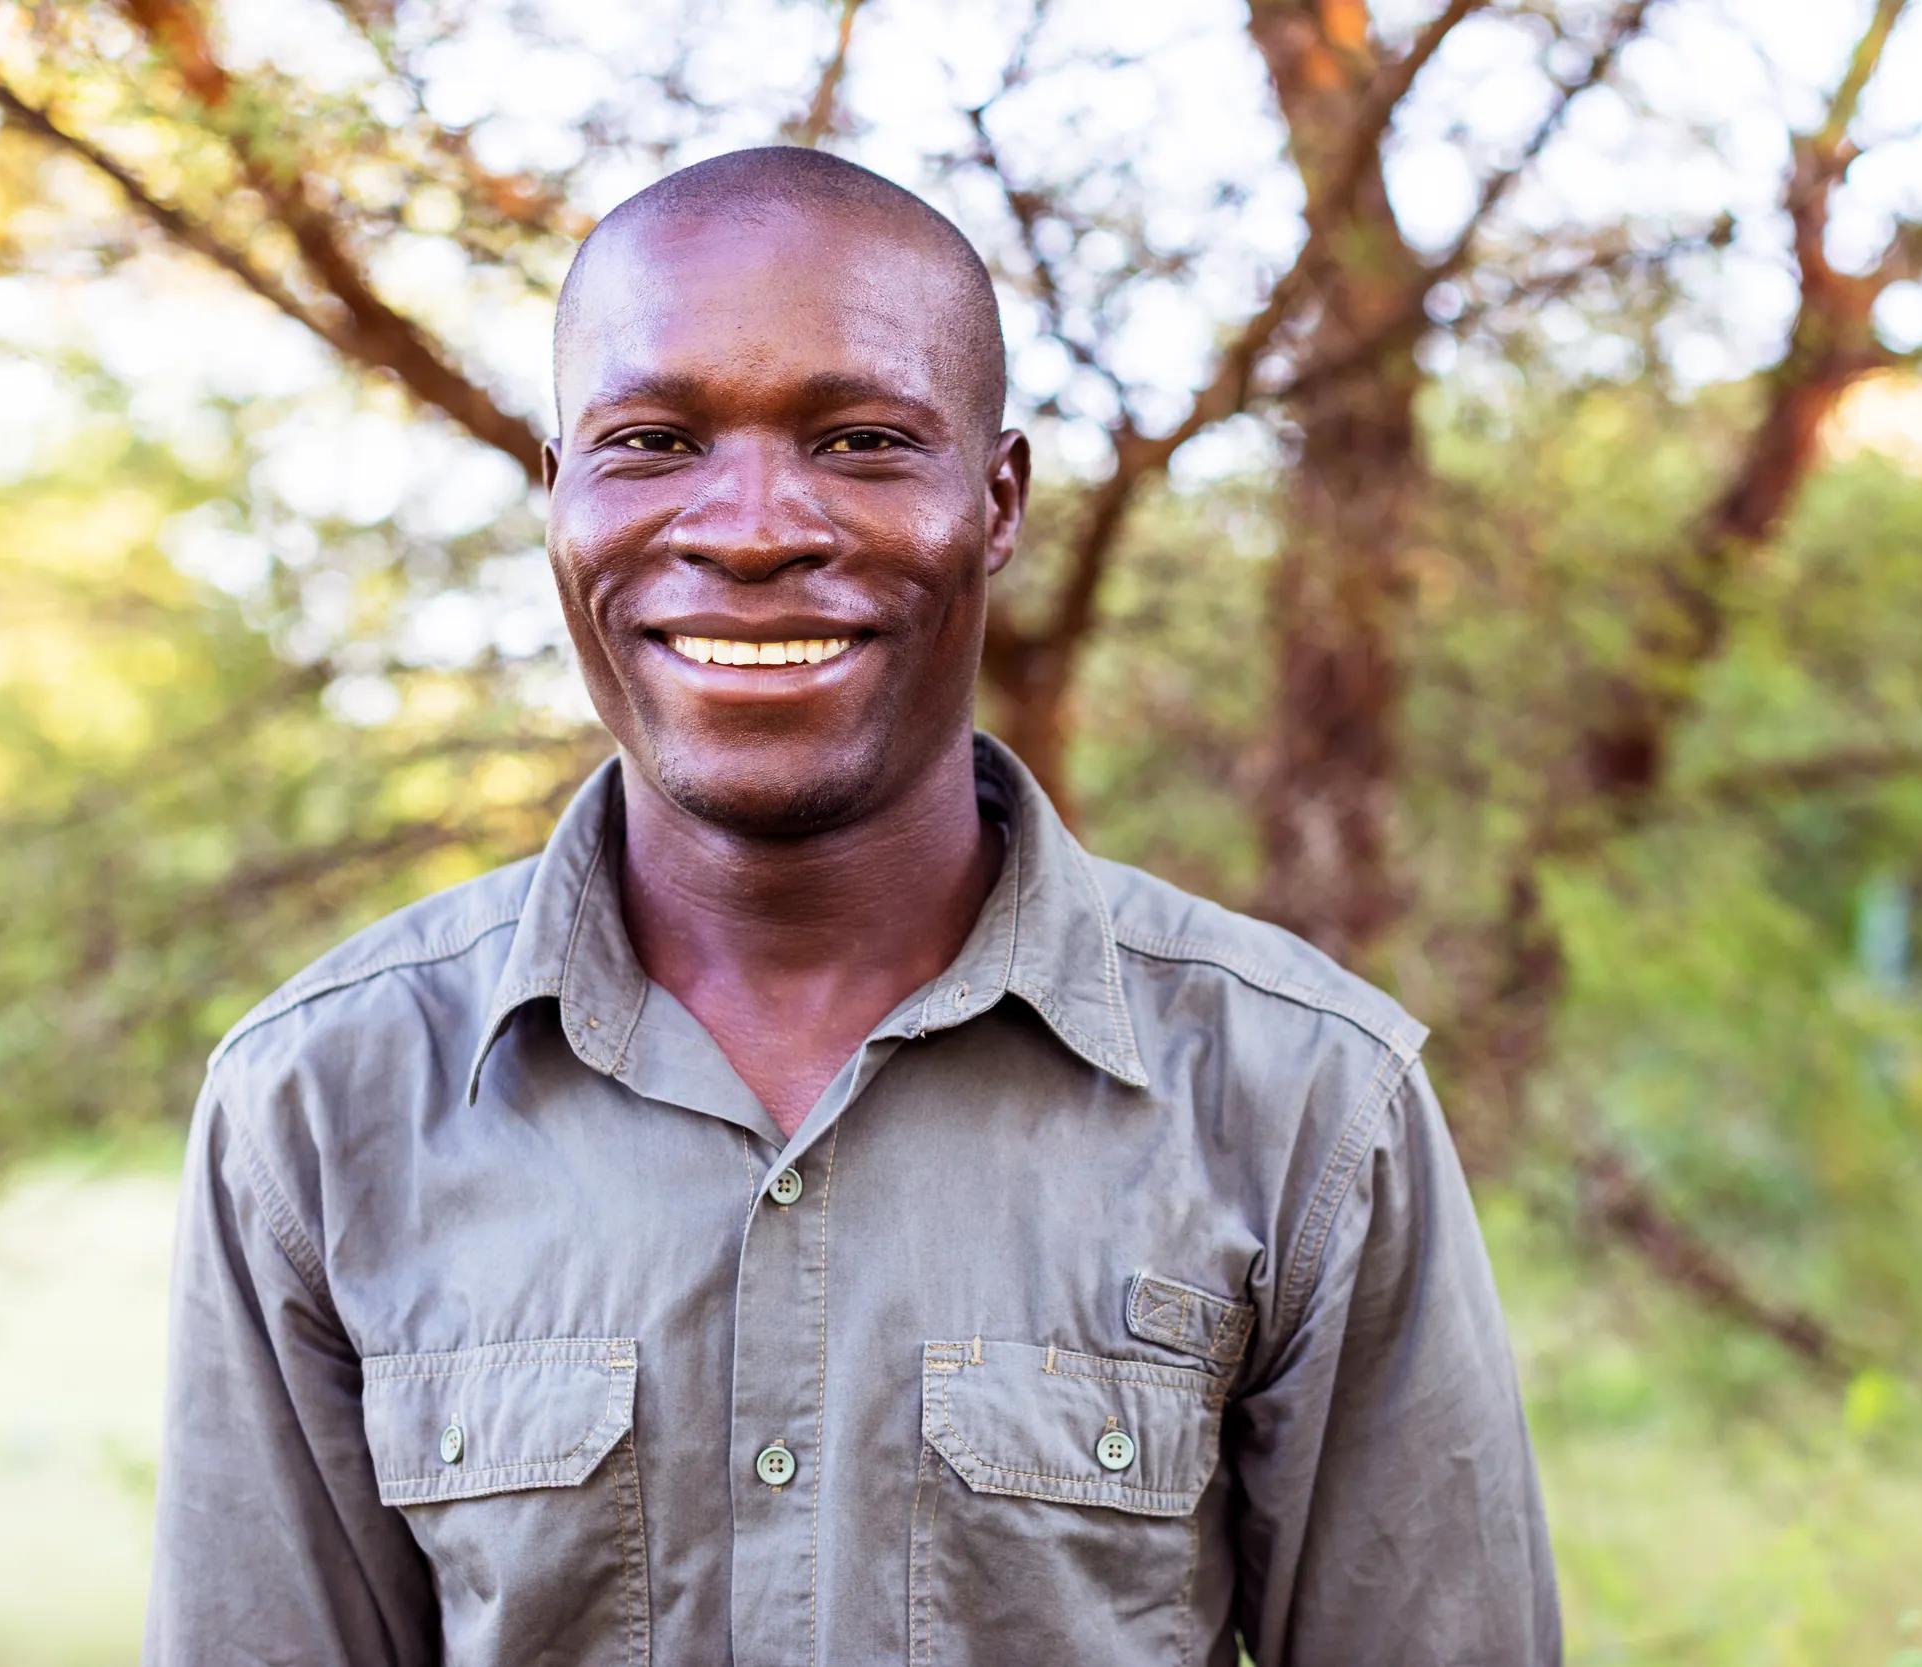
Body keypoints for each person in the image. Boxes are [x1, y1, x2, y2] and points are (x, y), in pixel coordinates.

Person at [142, 145, 1557, 1667]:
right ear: (561, 497)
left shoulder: (1305, 1104)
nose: (751, 530)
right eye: (655, 442)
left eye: (864, 440)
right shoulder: (319, 1106)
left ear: (995, 500)